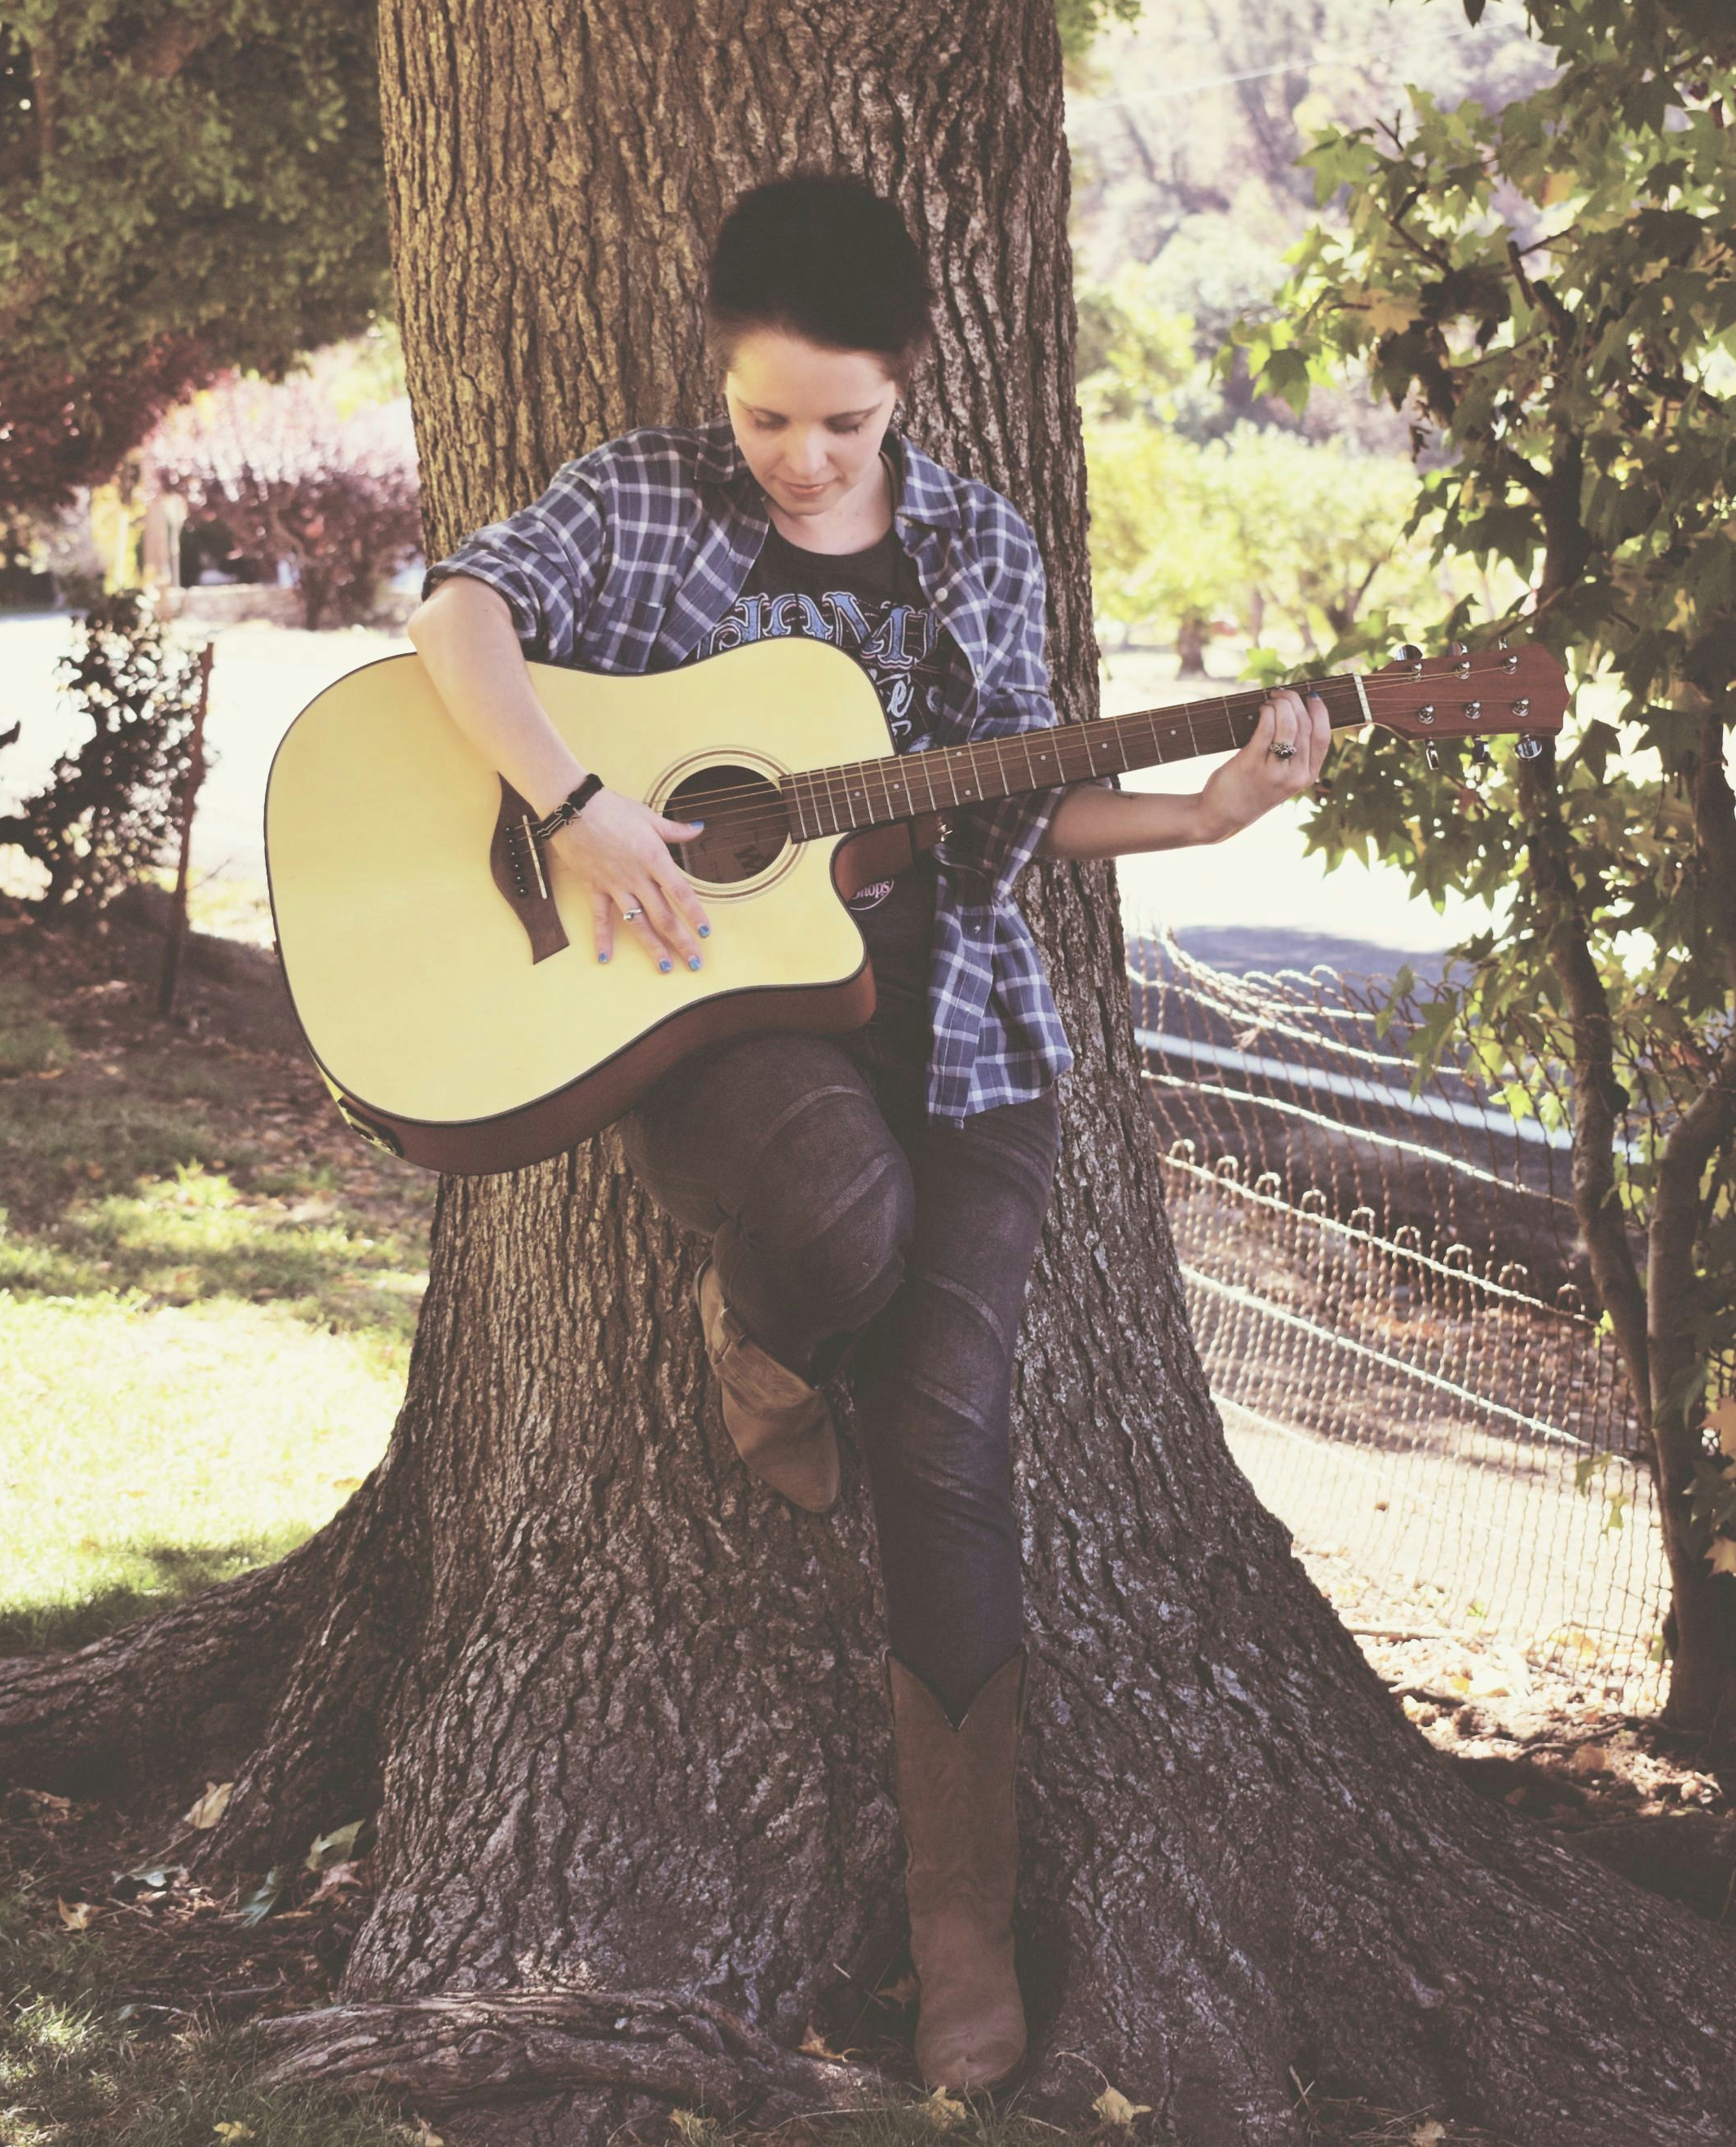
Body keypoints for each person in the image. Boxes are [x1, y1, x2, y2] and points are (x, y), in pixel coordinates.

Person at [404, 173, 1335, 2090]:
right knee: (837, 1214)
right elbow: (456, 622)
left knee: (945, 1433)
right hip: (712, 1018)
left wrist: (1214, 813)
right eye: (769, 418)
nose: (806, 458)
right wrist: (577, 800)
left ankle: (960, 1933)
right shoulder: (646, 495)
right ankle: (756, 1347)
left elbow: (1017, 814)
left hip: (960, 1023)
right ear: (720, 382)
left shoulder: (979, 547)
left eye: (845, 422)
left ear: (910, 384)